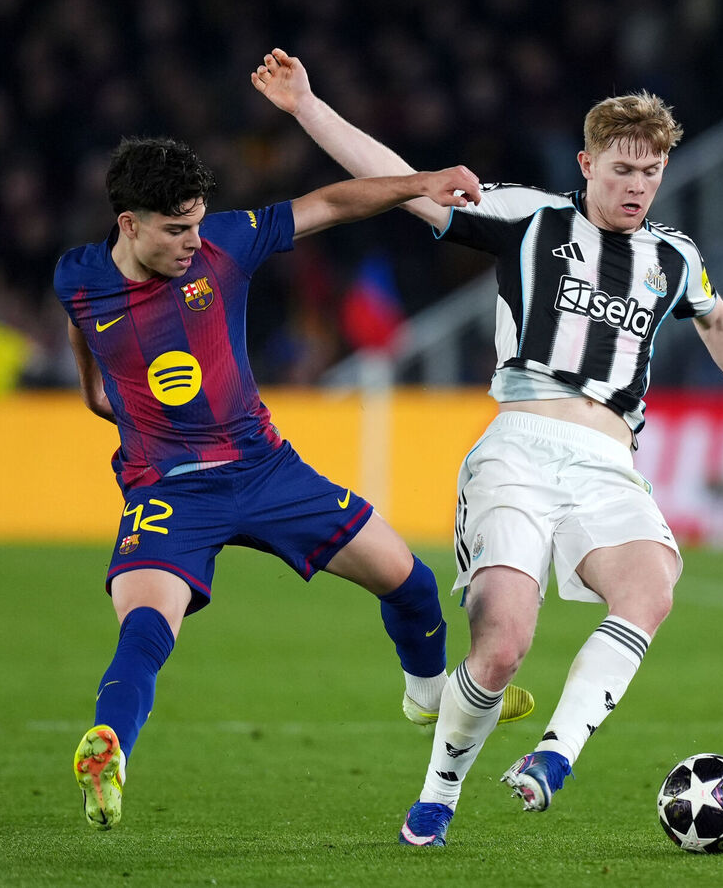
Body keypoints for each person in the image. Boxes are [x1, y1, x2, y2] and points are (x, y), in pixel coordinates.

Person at [252, 47, 723, 847]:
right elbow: (403, 183)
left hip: (609, 462)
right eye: (622, 170)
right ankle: (438, 796)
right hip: (519, 450)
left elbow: (718, 321)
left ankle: (555, 755)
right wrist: (307, 105)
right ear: (587, 164)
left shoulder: (673, 257)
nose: (637, 186)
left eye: (651, 173)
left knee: (651, 587)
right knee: (503, 646)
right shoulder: (530, 218)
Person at [54, 136, 535, 831]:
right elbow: (82, 324)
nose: (194, 241)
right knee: (145, 629)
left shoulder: (226, 242)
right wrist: (93, 390)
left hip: (266, 469)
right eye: (177, 229)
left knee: (411, 582)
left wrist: (418, 182)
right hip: (168, 490)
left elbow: (331, 203)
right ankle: (110, 751)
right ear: (129, 224)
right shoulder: (77, 275)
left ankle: (428, 692)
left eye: (197, 223)